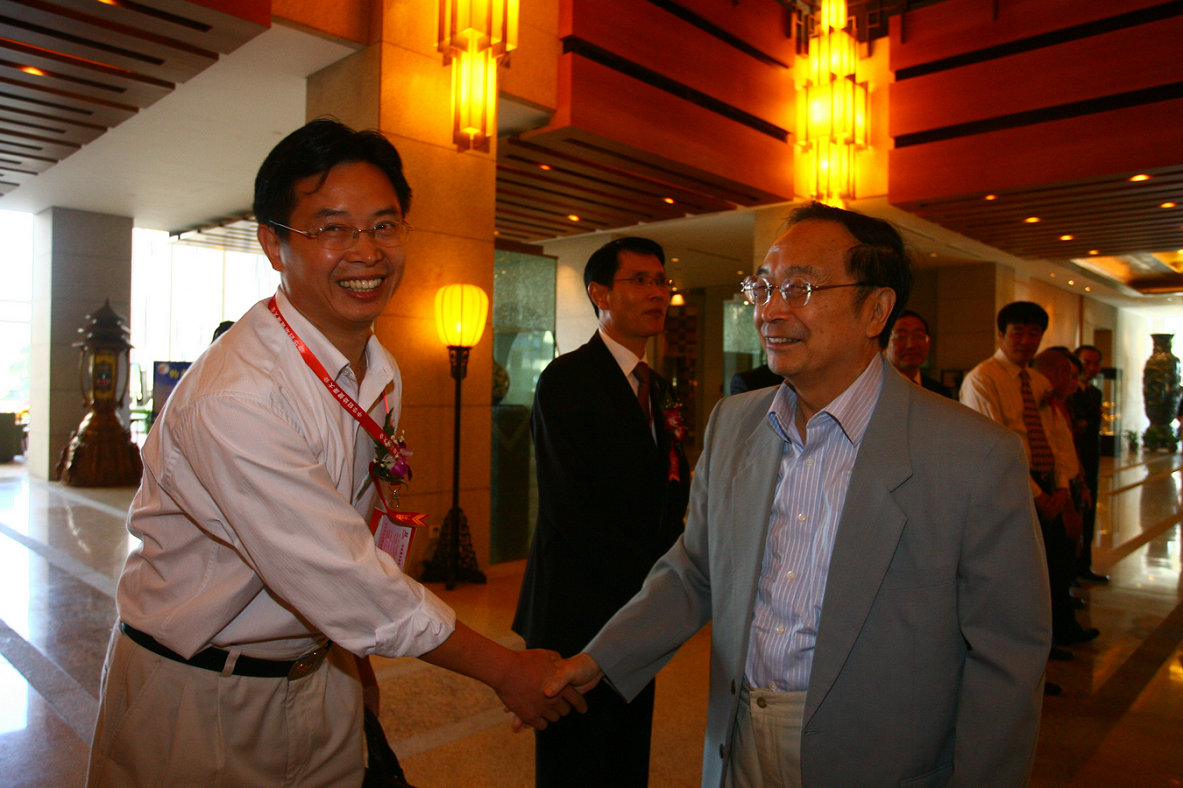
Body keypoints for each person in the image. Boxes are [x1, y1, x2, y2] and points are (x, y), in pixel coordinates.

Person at [86, 119, 582, 787]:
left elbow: (351, 536)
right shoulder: (236, 396)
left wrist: (356, 664)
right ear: (274, 244)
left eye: (383, 225)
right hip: (200, 698)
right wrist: (503, 668)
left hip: (319, 676)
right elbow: (336, 571)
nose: (366, 252)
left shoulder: (379, 369)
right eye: (331, 229)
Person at [544, 202, 1050, 787]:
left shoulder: (974, 455)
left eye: (800, 288)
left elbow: (1008, 656)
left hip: (879, 761)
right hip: (738, 741)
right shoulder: (735, 423)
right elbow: (694, 571)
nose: (770, 310)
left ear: (876, 309)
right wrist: (598, 659)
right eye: (763, 287)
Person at [513, 236, 691, 787]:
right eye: (640, 280)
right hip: (579, 601)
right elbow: (572, 507)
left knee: (627, 746)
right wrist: (653, 580)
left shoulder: (657, 387)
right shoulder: (567, 379)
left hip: (641, 602)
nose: (657, 293)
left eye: (662, 281)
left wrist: (669, 586)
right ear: (599, 293)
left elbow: (673, 486)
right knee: (575, 756)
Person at [960, 303, 1099, 652]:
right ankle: (1024, 651)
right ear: (1001, 335)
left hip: (1047, 482)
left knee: (1053, 569)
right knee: (1018, 577)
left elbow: (1058, 437)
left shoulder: (1038, 381)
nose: (1025, 340)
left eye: (1033, 333)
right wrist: (1036, 493)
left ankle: (1055, 634)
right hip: (1008, 488)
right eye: (1017, 332)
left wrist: (1062, 489)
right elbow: (992, 445)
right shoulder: (983, 378)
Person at [1069, 344, 1109, 583]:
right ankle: (1071, 571)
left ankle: (1085, 565)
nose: (1091, 368)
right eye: (1087, 363)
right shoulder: (1067, 394)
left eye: (1096, 363)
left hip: (1090, 462)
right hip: (1073, 464)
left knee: (1089, 514)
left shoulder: (1095, 393)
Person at [884, 309, 953, 397]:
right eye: (901, 336)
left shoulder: (940, 393)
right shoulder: (875, 390)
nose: (911, 345)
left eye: (918, 336)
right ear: (884, 344)